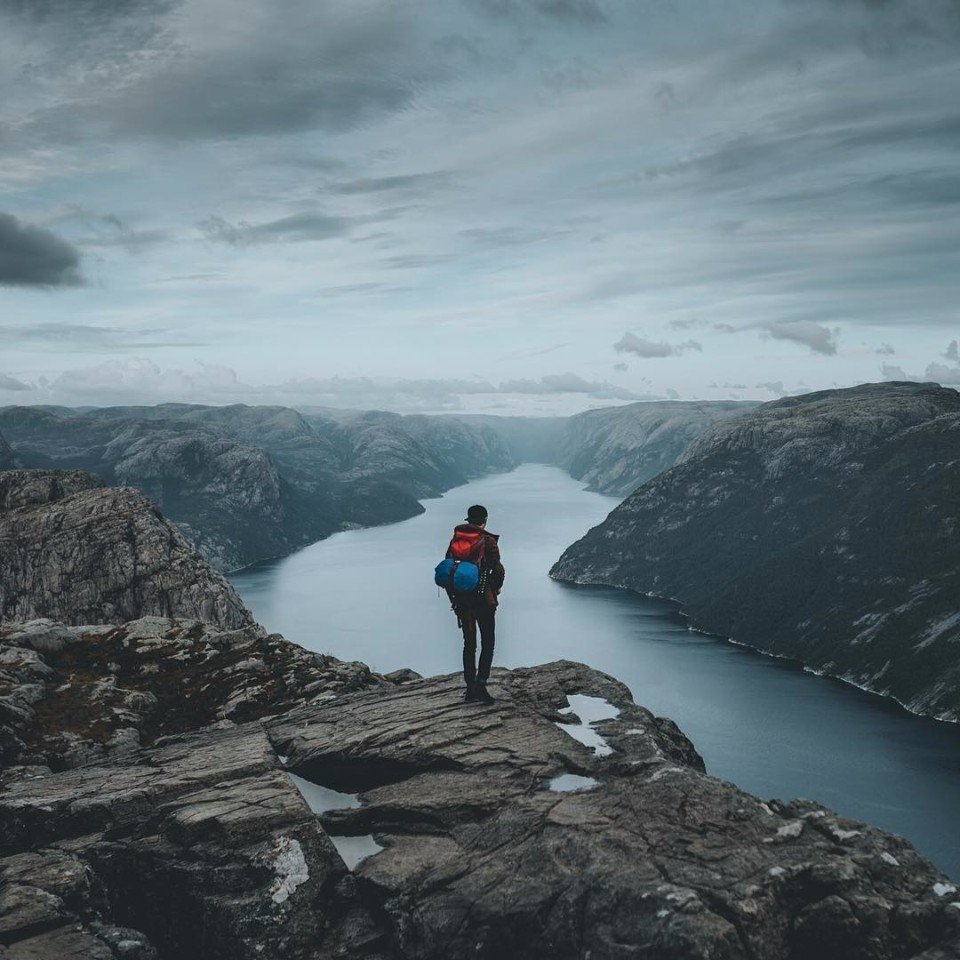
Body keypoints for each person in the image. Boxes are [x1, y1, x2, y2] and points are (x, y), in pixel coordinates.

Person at [444, 504, 505, 704]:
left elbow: (448, 567)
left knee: (469, 644)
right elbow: (498, 570)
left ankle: (470, 688)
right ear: (485, 520)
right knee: (488, 642)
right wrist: (495, 590)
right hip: (483, 600)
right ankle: (481, 684)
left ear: (468, 520)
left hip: (462, 601)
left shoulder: (456, 538)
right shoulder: (487, 540)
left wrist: (455, 596)